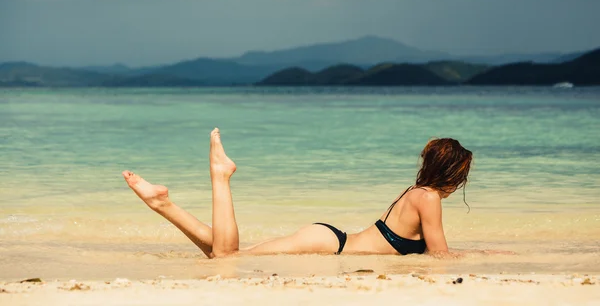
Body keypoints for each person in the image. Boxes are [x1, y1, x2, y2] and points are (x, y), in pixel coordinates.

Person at [123, 128, 472, 259]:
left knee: (225, 254)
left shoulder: (414, 191)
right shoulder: (428, 198)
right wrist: (483, 257)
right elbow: (439, 256)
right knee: (229, 257)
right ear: (454, 173)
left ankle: (162, 204)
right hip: (329, 244)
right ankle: (220, 177)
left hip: (329, 238)